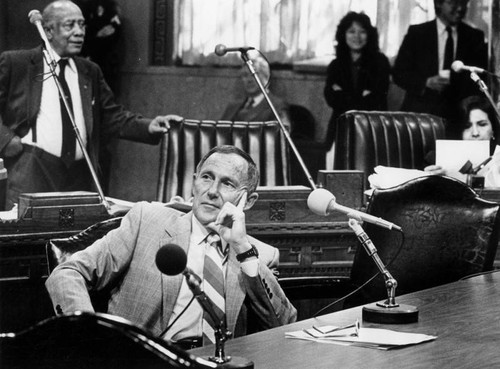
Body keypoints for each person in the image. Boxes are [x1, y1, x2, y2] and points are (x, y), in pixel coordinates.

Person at [45, 145, 297, 348]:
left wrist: (242, 247)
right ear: (194, 182)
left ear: (249, 201)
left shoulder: (254, 255)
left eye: (227, 183)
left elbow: (283, 325)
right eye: (207, 178)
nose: (211, 191)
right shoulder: (147, 222)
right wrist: (88, 336)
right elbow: (67, 273)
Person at [0, 0, 181, 209]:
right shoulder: (17, 63)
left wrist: (148, 126)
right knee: (30, 238)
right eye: (70, 25)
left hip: (80, 175)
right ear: (48, 31)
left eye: (82, 25)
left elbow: (111, 116)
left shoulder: (89, 71)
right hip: (32, 170)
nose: (79, 32)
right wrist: (7, 141)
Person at [393, 0, 488, 139]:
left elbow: (480, 79)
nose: (460, 8)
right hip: (420, 116)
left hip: (459, 119)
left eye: (463, 3)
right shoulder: (417, 33)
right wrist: (426, 82)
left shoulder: (475, 37)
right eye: (453, 3)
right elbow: (398, 73)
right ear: (438, 4)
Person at [323, 11, 391, 149]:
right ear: (343, 34)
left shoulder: (380, 62)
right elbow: (331, 98)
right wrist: (360, 96)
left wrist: (344, 95)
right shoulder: (335, 65)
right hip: (340, 129)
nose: (357, 37)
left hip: (371, 128)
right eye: (351, 31)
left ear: (369, 35)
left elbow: (376, 98)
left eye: (362, 32)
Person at [424, 95, 500, 186]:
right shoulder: (434, 159)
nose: (475, 133)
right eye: (467, 126)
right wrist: (427, 179)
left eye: (482, 124)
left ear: (493, 130)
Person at [220, 53, 291, 129]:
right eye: (245, 75)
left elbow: (281, 134)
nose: (249, 80)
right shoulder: (233, 106)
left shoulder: (276, 106)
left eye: (254, 75)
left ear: (266, 77)